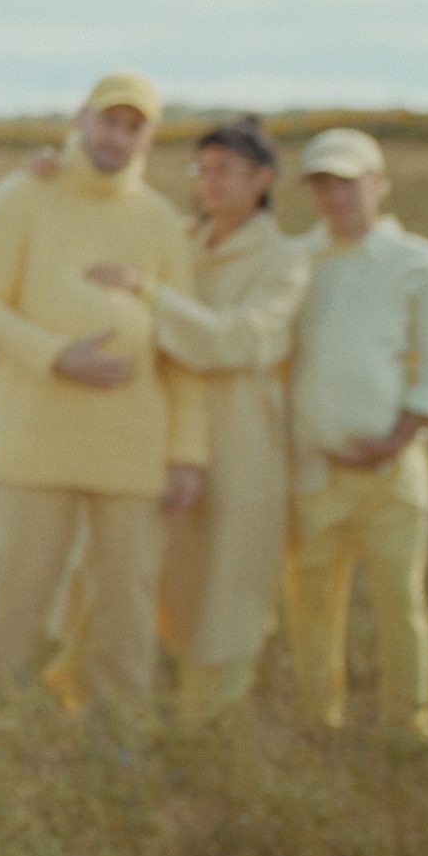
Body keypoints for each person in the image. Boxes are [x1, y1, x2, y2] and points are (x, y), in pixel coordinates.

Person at [0, 71, 207, 732]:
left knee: (127, 601)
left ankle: (121, 734)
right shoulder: (21, 196)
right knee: (16, 593)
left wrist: (187, 452)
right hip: (33, 439)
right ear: (81, 118)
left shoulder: (159, 220)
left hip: (133, 445)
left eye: (133, 128)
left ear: (149, 139)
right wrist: (58, 356)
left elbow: (183, 343)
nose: (116, 138)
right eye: (108, 122)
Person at [61, 117, 310, 728]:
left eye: (226, 170)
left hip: (241, 433)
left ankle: (208, 723)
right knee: (118, 563)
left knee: (229, 578)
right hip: (158, 423)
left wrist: (149, 293)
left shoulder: (284, 260)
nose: (210, 183)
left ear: (263, 180)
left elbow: (237, 340)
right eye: (203, 169)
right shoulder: (179, 237)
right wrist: (60, 168)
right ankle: (85, 697)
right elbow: (109, 215)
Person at [282, 127, 428, 742]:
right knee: (311, 602)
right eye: (322, 185)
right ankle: (317, 720)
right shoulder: (297, 260)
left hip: (392, 470)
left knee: (399, 602)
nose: (336, 197)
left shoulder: (420, 264)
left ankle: (409, 727)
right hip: (313, 468)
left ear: (378, 183)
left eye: (347, 182)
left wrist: (394, 440)